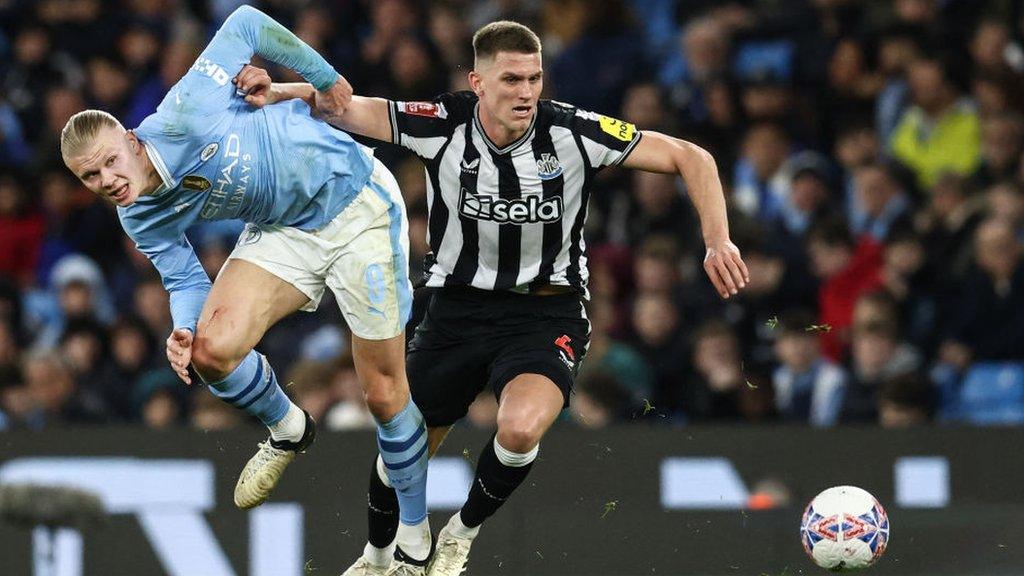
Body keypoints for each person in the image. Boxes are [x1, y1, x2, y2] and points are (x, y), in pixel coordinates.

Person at [239, 20, 748, 576]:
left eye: (534, 78)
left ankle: (461, 532)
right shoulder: (441, 123)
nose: (526, 92)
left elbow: (691, 157)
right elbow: (344, 106)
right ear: (478, 82)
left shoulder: (575, 133)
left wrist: (717, 239)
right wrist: (284, 90)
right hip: (455, 310)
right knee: (402, 450)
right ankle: (379, 558)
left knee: (521, 427)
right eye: (511, 79)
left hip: (545, 311)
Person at [59, 6, 433, 573]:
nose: (107, 181)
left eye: (109, 162)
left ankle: (413, 538)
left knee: (383, 393)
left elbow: (248, 24)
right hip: (282, 230)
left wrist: (328, 82)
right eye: (90, 177)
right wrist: (184, 328)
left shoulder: (187, 110)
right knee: (210, 353)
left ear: (131, 141)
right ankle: (288, 428)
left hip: (354, 204)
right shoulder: (136, 216)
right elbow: (184, 276)